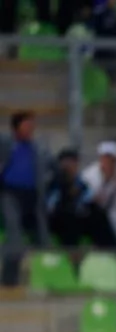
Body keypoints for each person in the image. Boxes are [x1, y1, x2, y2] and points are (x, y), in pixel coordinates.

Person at [0, 111, 50, 287]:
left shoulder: (38, 147)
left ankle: (47, 276)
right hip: (10, 194)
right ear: (16, 127)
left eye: (32, 125)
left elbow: (50, 167)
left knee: (43, 237)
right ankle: (9, 279)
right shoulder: (6, 143)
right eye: (27, 125)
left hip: (32, 197)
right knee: (15, 234)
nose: (31, 128)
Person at [46, 148, 97, 248]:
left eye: (72, 163)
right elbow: (49, 206)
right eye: (66, 164)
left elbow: (88, 201)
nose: (69, 167)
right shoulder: (53, 184)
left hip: (77, 220)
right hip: (56, 220)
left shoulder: (82, 185)